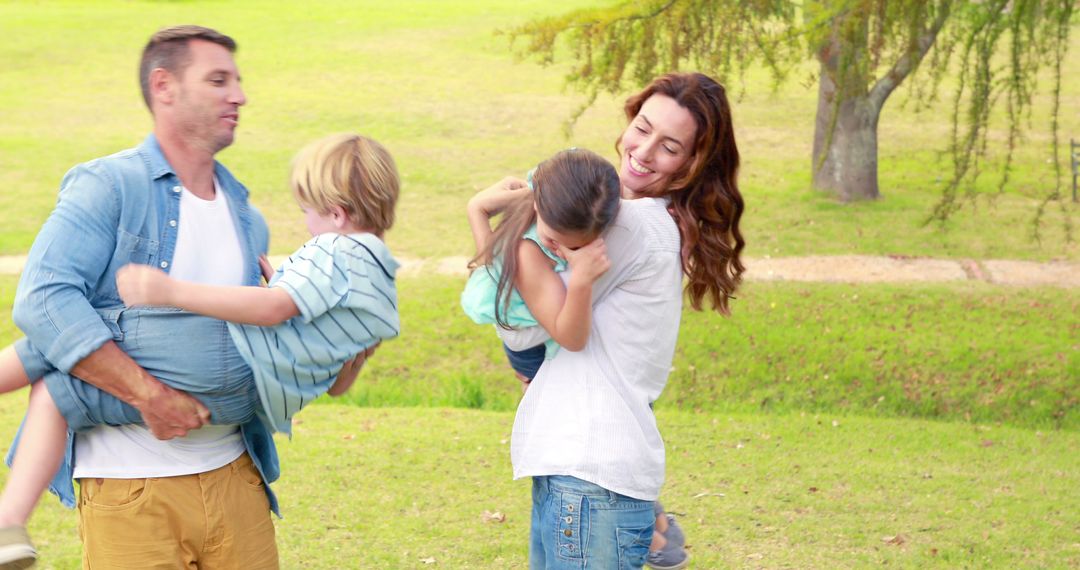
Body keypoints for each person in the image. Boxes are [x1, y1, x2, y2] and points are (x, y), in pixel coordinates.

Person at [0, 25, 373, 569]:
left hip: (235, 480)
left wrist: (344, 343)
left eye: (239, 81)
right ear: (164, 87)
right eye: (218, 80)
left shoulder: (248, 219)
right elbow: (43, 302)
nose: (239, 96)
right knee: (47, 373)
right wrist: (150, 396)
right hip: (131, 492)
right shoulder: (109, 187)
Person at [473, 72, 744, 569]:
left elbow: (525, 322)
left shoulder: (631, 226)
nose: (643, 151)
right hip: (582, 472)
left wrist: (487, 219)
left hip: (589, 475)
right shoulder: (642, 218)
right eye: (642, 128)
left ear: (691, 164)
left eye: (669, 146)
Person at [461, 149, 620, 387]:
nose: (559, 250)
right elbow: (572, 339)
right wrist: (581, 281)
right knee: (547, 414)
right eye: (553, 239)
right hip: (531, 349)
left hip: (535, 322)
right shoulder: (527, 253)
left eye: (574, 247)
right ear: (537, 205)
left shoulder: (579, 192)